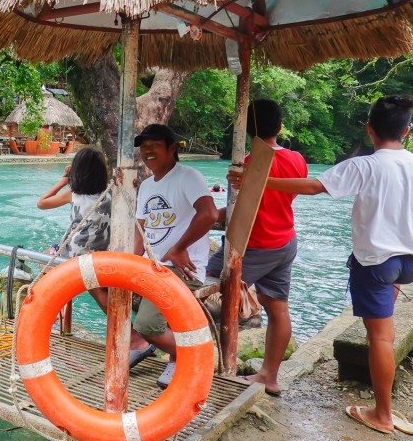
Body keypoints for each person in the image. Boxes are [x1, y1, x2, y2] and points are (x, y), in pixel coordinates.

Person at [235, 96, 413, 435]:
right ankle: (382, 403)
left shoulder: (364, 165)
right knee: (386, 315)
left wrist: (259, 181)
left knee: (381, 338)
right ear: (406, 130)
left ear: (370, 129)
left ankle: (383, 415)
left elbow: (316, 187)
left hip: (377, 263)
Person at [208, 99, 307, 396]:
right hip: (285, 241)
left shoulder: (247, 165)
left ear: (246, 129)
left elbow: (241, 210)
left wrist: (210, 217)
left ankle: (199, 360)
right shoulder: (297, 160)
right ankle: (269, 376)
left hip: (256, 245)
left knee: (207, 288)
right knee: (277, 307)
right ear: (279, 127)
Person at [37, 149, 157, 366]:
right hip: (101, 253)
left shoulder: (73, 194)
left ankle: (134, 339)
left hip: (77, 255)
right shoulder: (112, 195)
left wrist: (64, 180)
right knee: (50, 259)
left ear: (77, 174)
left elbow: (42, 202)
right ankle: (132, 336)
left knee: (46, 265)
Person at [131, 124, 218, 387]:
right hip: (151, 266)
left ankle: (188, 356)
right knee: (104, 288)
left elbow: (210, 214)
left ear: (172, 148)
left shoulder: (187, 177)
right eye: (144, 147)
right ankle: (146, 346)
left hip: (181, 268)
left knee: (147, 325)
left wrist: (179, 248)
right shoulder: (146, 185)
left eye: (154, 145)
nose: (148, 151)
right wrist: (130, 264)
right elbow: (141, 230)